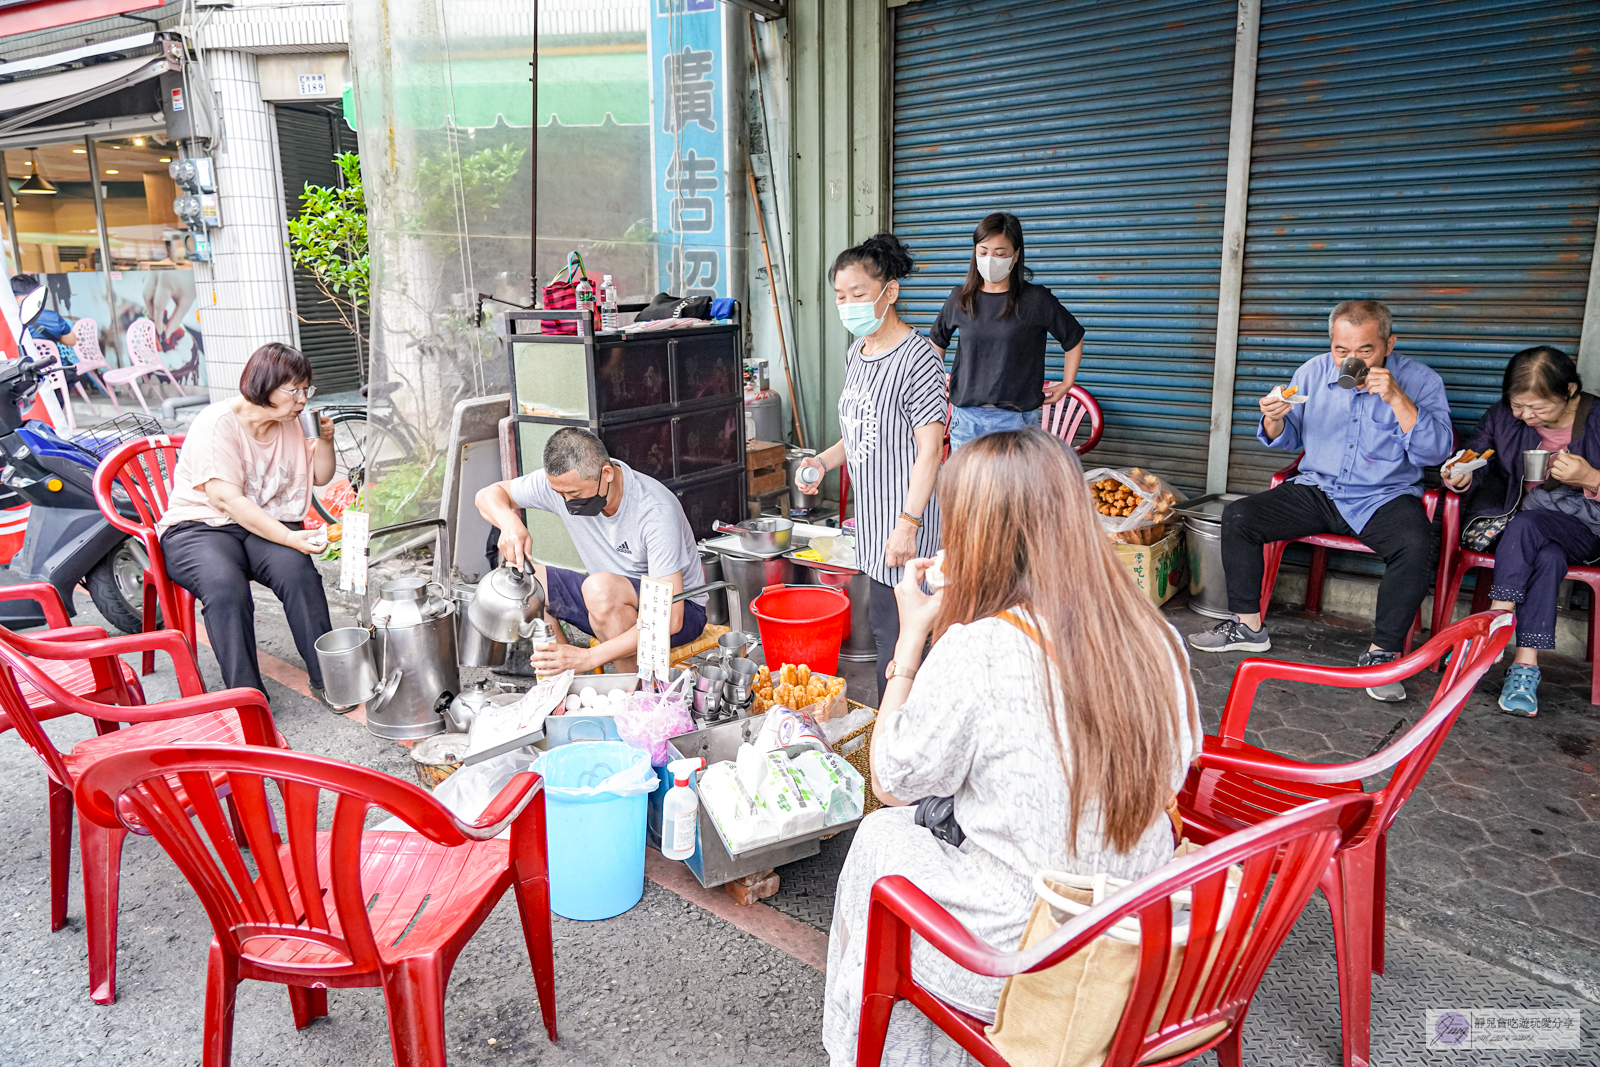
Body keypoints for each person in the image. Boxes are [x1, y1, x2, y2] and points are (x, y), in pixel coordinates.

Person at [821, 428, 1199, 1067]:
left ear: (981, 538)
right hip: (1138, 927)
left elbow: (890, 777)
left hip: (1036, 951)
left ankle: (867, 1052)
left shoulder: (980, 649)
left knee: (881, 837)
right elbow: (1177, 759)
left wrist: (912, 642)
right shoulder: (1153, 632)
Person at [1188, 299, 1453, 702]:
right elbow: (1289, 438)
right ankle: (1247, 626)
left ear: (1388, 344)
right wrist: (1273, 417)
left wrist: (1398, 398)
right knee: (1240, 516)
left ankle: (1382, 656)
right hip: (1319, 489)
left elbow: (1435, 454)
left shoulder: (1421, 381)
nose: (1351, 360)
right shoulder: (1311, 373)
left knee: (1415, 545)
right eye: (1341, 351)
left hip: (1381, 495)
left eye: (1365, 351)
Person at [795, 233, 946, 701]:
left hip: (909, 528)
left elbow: (931, 449)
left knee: (907, 644)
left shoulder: (918, 358)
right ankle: (897, 738)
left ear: (890, 291)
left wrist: (908, 524)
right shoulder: (856, 354)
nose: (848, 305)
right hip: (874, 526)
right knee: (889, 636)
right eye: (841, 296)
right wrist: (822, 460)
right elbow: (859, 431)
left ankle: (900, 744)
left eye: (858, 295)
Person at [156, 343, 337, 703]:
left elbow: (321, 476)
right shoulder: (217, 423)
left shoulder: (293, 422)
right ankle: (247, 697)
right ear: (263, 386)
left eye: (307, 389)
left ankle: (330, 679)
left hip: (262, 523)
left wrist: (326, 441)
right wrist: (290, 537)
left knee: (297, 572)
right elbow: (228, 500)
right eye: (294, 390)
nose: (302, 399)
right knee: (225, 587)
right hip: (199, 525)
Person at [475, 426, 706, 674]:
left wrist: (589, 656)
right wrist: (509, 522)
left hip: (679, 611)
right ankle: (567, 684)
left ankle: (636, 694)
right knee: (527, 583)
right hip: (606, 598)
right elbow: (487, 495)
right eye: (558, 493)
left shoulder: (654, 509)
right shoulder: (563, 484)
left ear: (606, 473)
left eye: (573, 493)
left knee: (599, 589)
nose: (565, 502)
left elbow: (670, 619)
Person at [1445, 346, 1600, 717]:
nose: (1526, 416)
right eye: (1518, 406)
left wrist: (1590, 477)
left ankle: (1494, 625)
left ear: (1571, 391)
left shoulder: (1598, 419)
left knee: (1527, 526)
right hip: (1519, 524)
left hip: (1584, 528)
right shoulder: (1502, 417)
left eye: (1539, 408)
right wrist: (1459, 476)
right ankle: (1525, 668)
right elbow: (1476, 458)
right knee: (1544, 553)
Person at [929, 212, 1086, 450]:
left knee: (1014, 488)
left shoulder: (1036, 300)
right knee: (968, 488)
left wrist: (1066, 383)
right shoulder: (960, 298)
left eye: (1000, 254)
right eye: (983, 252)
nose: (990, 259)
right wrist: (937, 384)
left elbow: (1073, 337)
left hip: (1017, 421)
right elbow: (936, 342)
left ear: (1015, 257)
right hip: (966, 419)